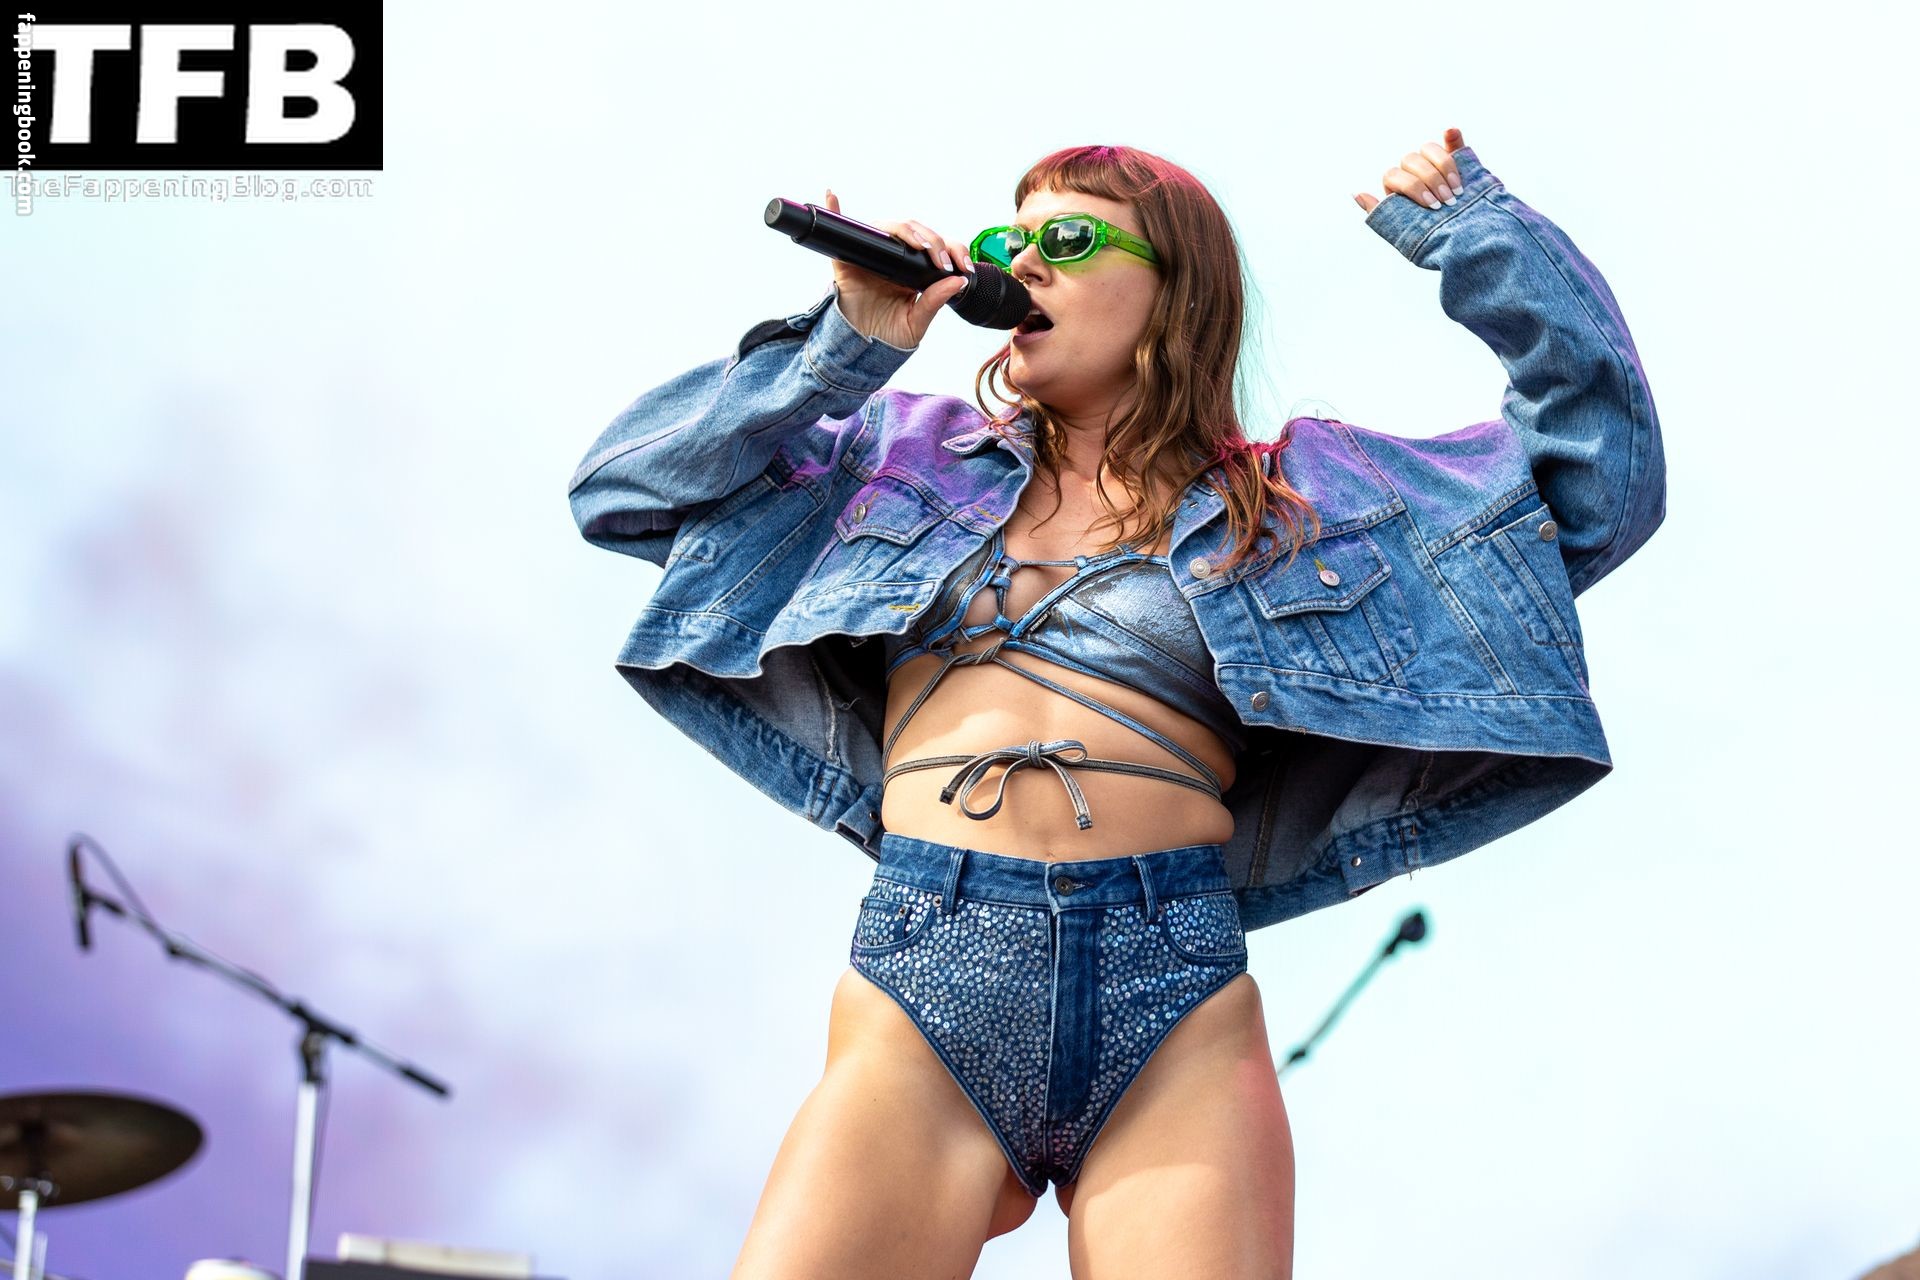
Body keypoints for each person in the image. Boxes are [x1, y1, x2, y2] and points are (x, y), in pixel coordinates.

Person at [567, 128, 1666, 1279]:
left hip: (1172, 984)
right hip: (930, 958)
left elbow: (1597, 483)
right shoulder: (900, 454)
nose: (1023, 264)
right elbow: (626, 487)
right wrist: (845, 343)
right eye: (1008, 243)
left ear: (1174, 290)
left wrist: (1477, 235)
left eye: (1068, 238)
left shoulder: (1304, 499)